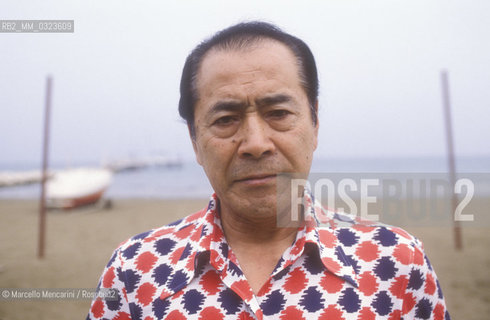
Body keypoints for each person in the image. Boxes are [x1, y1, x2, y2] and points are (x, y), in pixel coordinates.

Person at [87, 21, 450, 319]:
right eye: (226, 119)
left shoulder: (397, 263)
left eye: (278, 113)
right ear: (195, 140)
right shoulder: (134, 270)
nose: (256, 143)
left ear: (315, 123)